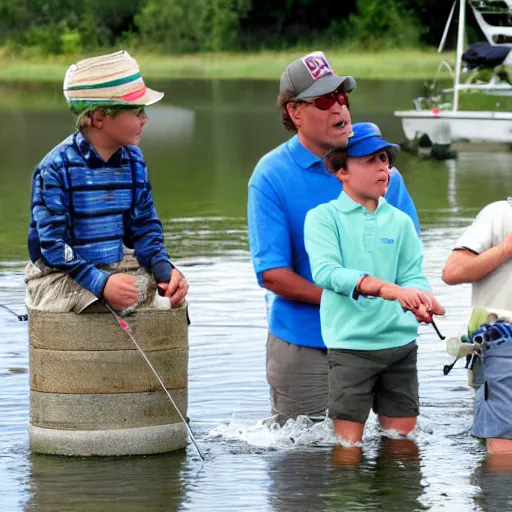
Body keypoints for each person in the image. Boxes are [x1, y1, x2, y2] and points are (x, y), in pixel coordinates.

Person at [247, 50, 421, 423]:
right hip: (308, 346)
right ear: (294, 112)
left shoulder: (383, 172)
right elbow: (272, 274)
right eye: (325, 100)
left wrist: (410, 297)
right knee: (308, 468)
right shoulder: (271, 175)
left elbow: (410, 255)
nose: (339, 108)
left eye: (343, 97)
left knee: (399, 455)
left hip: (387, 341)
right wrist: (351, 297)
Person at [304, 122, 444, 443]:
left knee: (402, 445)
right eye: (371, 160)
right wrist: (387, 289)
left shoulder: (401, 221)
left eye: (386, 160)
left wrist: (422, 299)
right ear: (342, 171)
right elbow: (327, 272)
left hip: (401, 349)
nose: (383, 168)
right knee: (347, 450)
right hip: (351, 348)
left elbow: (412, 275)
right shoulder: (323, 218)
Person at [26, 50, 188, 314]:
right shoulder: (56, 168)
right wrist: (101, 283)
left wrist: (163, 269)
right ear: (99, 118)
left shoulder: (134, 161)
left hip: (111, 267)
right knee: (100, 305)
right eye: (136, 111)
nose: (144, 119)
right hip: (58, 276)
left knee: (170, 298)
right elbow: (53, 246)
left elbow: (144, 228)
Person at [442, 198, 512, 454]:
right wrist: (506, 249)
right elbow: (452, 272)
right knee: (503, 453)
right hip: (502, 344)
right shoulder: (500, 214)